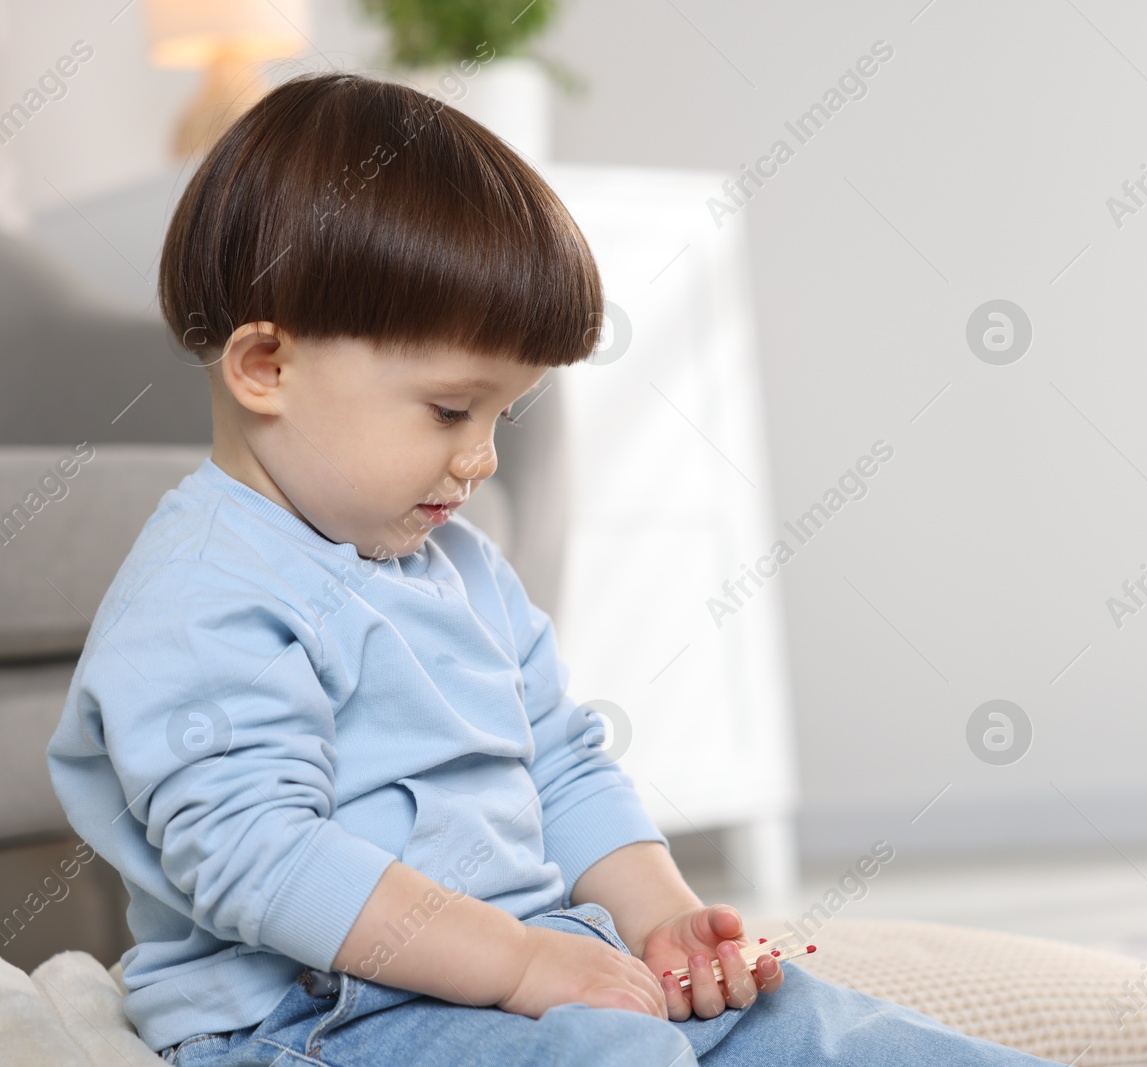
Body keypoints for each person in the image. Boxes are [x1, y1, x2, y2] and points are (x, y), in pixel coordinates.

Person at [40, 71, 1058, 1067]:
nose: (481, 458)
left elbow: (562, 763)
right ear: (267, 365)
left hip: (544, 973)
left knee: (828, 1029)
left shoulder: (461, 566)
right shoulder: (203, 596)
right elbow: (259, 857)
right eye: (449, 409)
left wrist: (659, 919)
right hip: (320, 1019)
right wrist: (521, 960)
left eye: (503, 415)